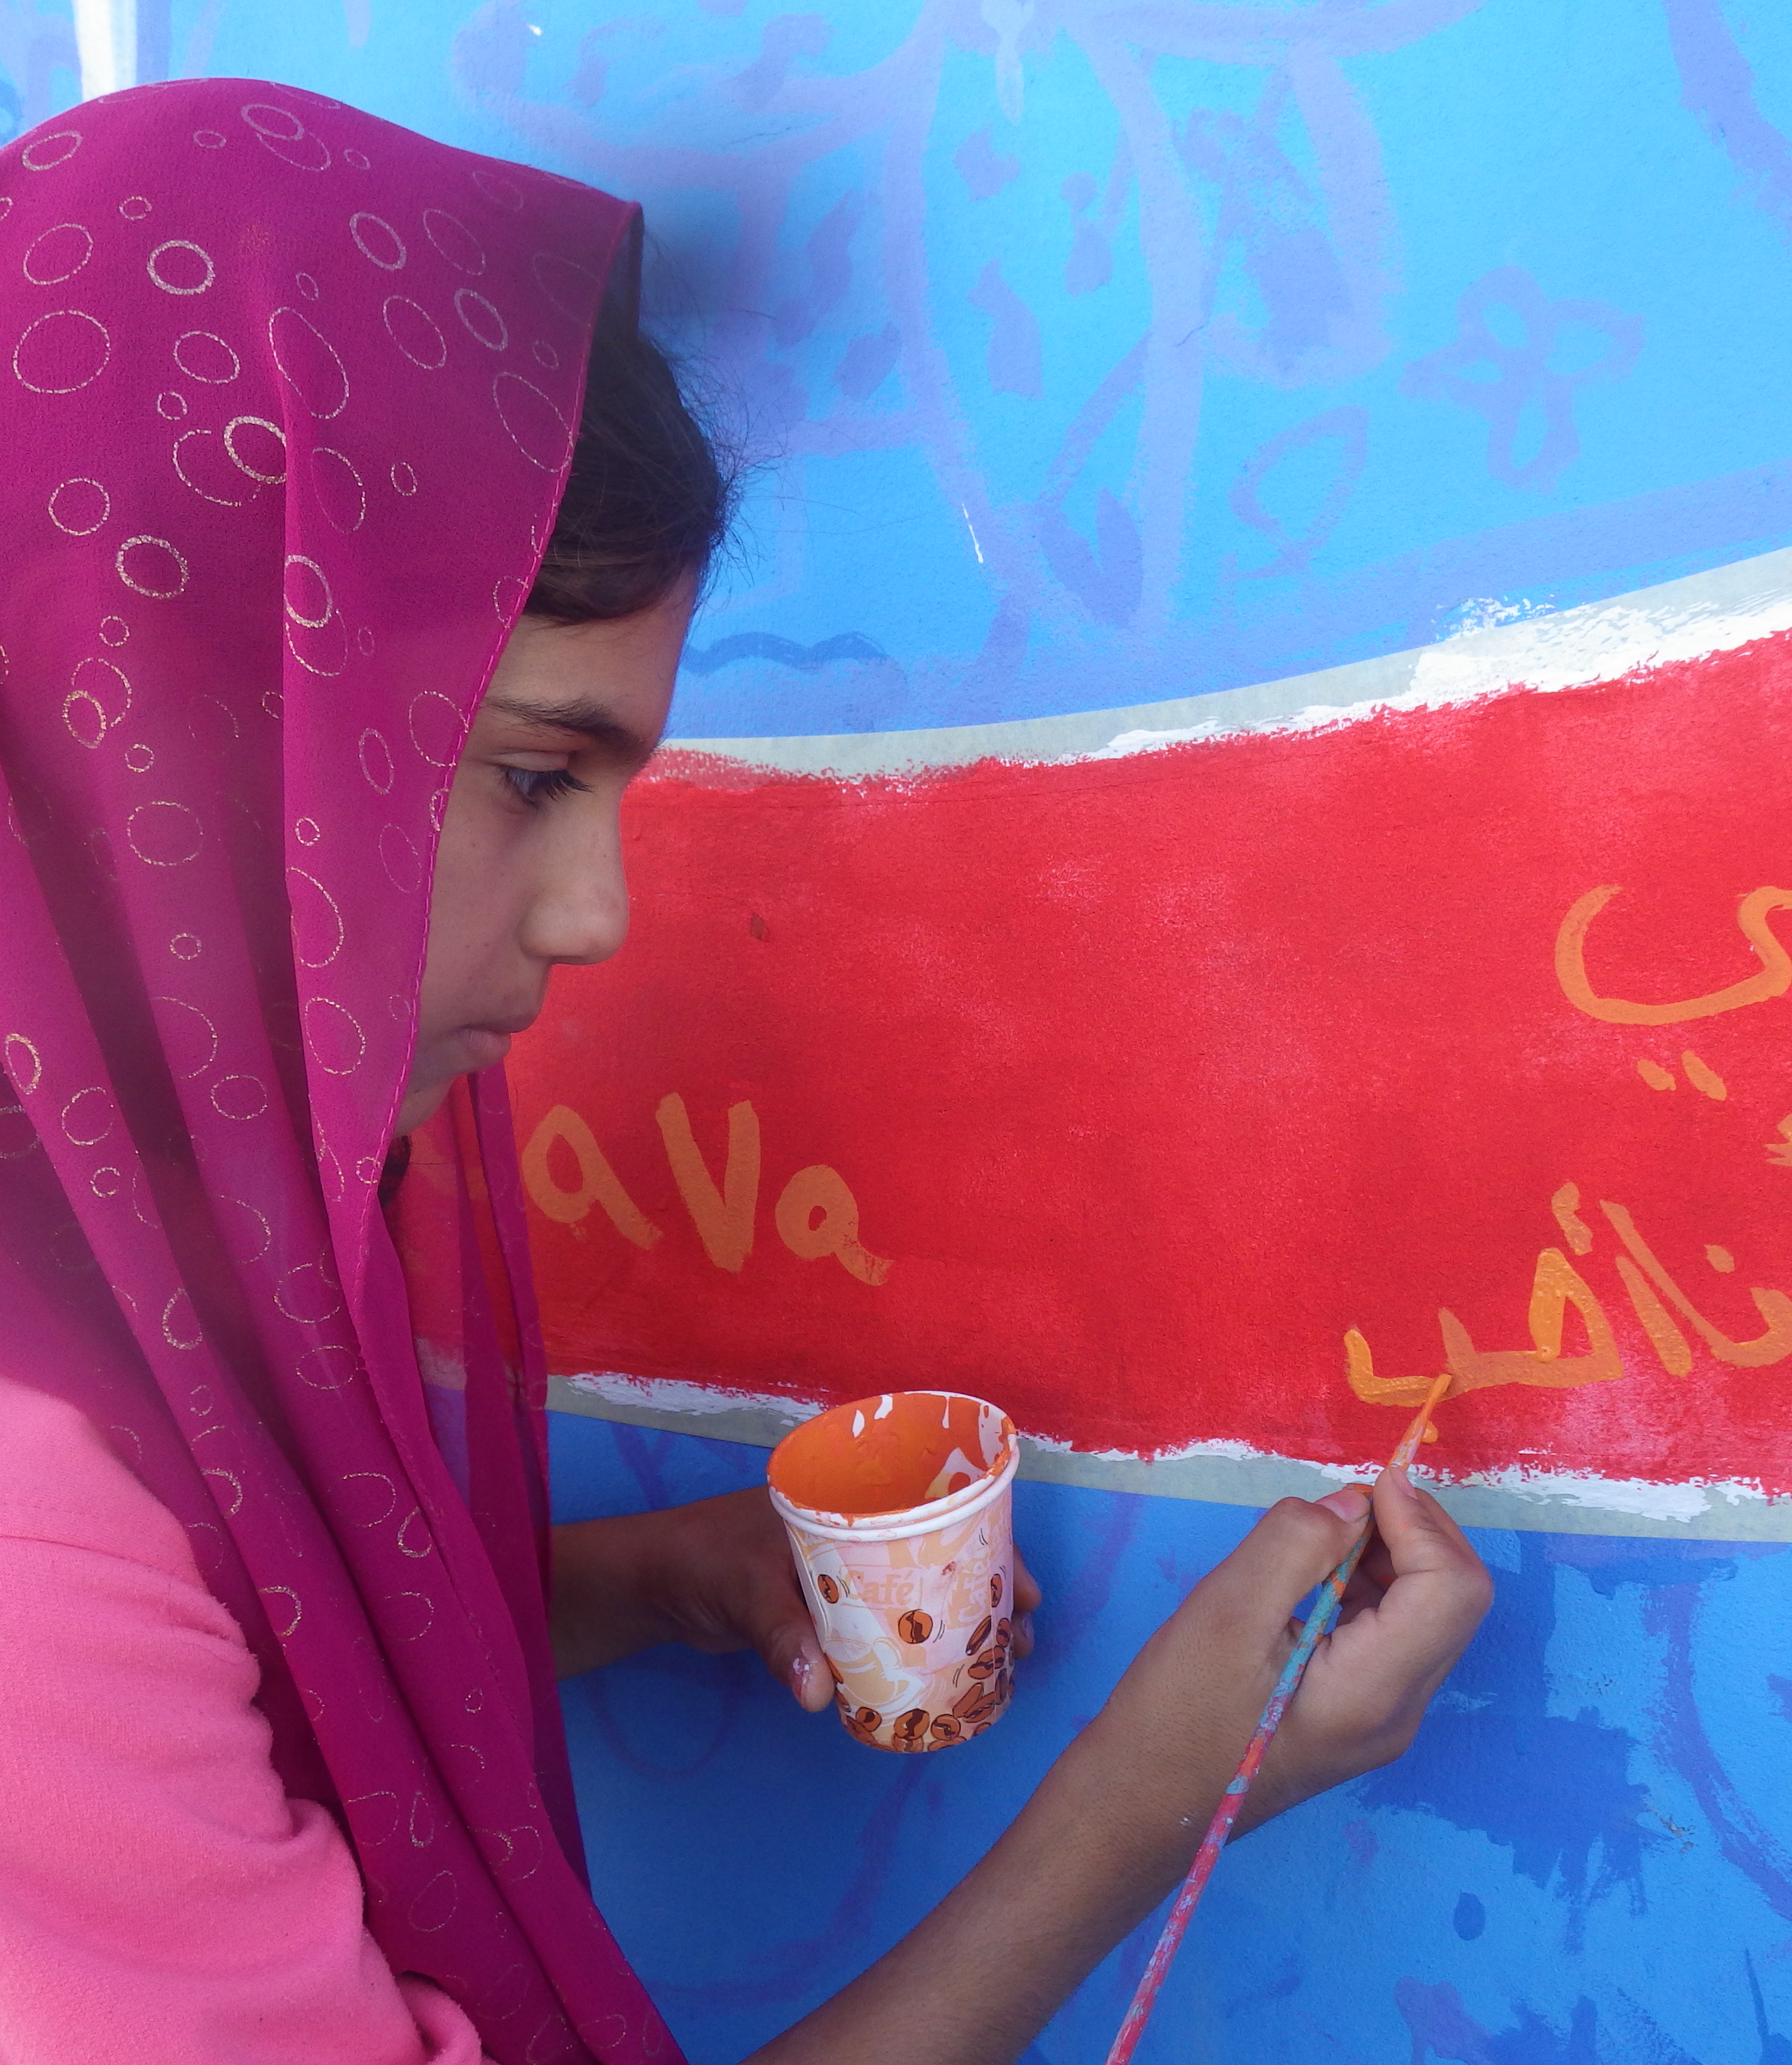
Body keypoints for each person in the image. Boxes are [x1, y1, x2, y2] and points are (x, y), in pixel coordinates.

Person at [0, 80, 1491, 2065]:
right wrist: (1155, 1805)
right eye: (532, 776)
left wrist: (637, 1584)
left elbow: (214, 1650)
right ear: (154, 718)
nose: (595, 917)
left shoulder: (105, 1215)